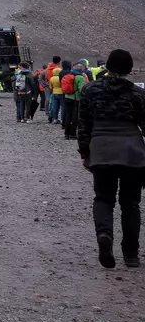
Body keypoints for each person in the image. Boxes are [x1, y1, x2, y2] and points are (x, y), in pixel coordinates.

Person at [76, 50, 144, 269]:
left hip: (101, 148)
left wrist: (85, 152)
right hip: (131, 151)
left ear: (108, 67)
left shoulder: (90, 90)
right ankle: (131, 254)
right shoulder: (137, 93)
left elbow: (83, 124)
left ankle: (104, 235)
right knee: (131, 203)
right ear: (129, 69)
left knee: (103, 198)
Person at [63, 62, 86, 140]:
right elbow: (81, 90)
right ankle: (72, 134)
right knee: (75, 116)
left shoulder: (69, 76)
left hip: (67, 97)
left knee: (68, 115)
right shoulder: (81, 78)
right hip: (75, 99)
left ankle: (66, 133)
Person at [47, 57, 65, 124]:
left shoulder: (52, 78)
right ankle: (63, 119)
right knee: (63, 107)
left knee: (55, 106)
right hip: (61, 92)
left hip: (54, 93)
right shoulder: (62, 78)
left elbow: (50, 87)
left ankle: (55, 119)